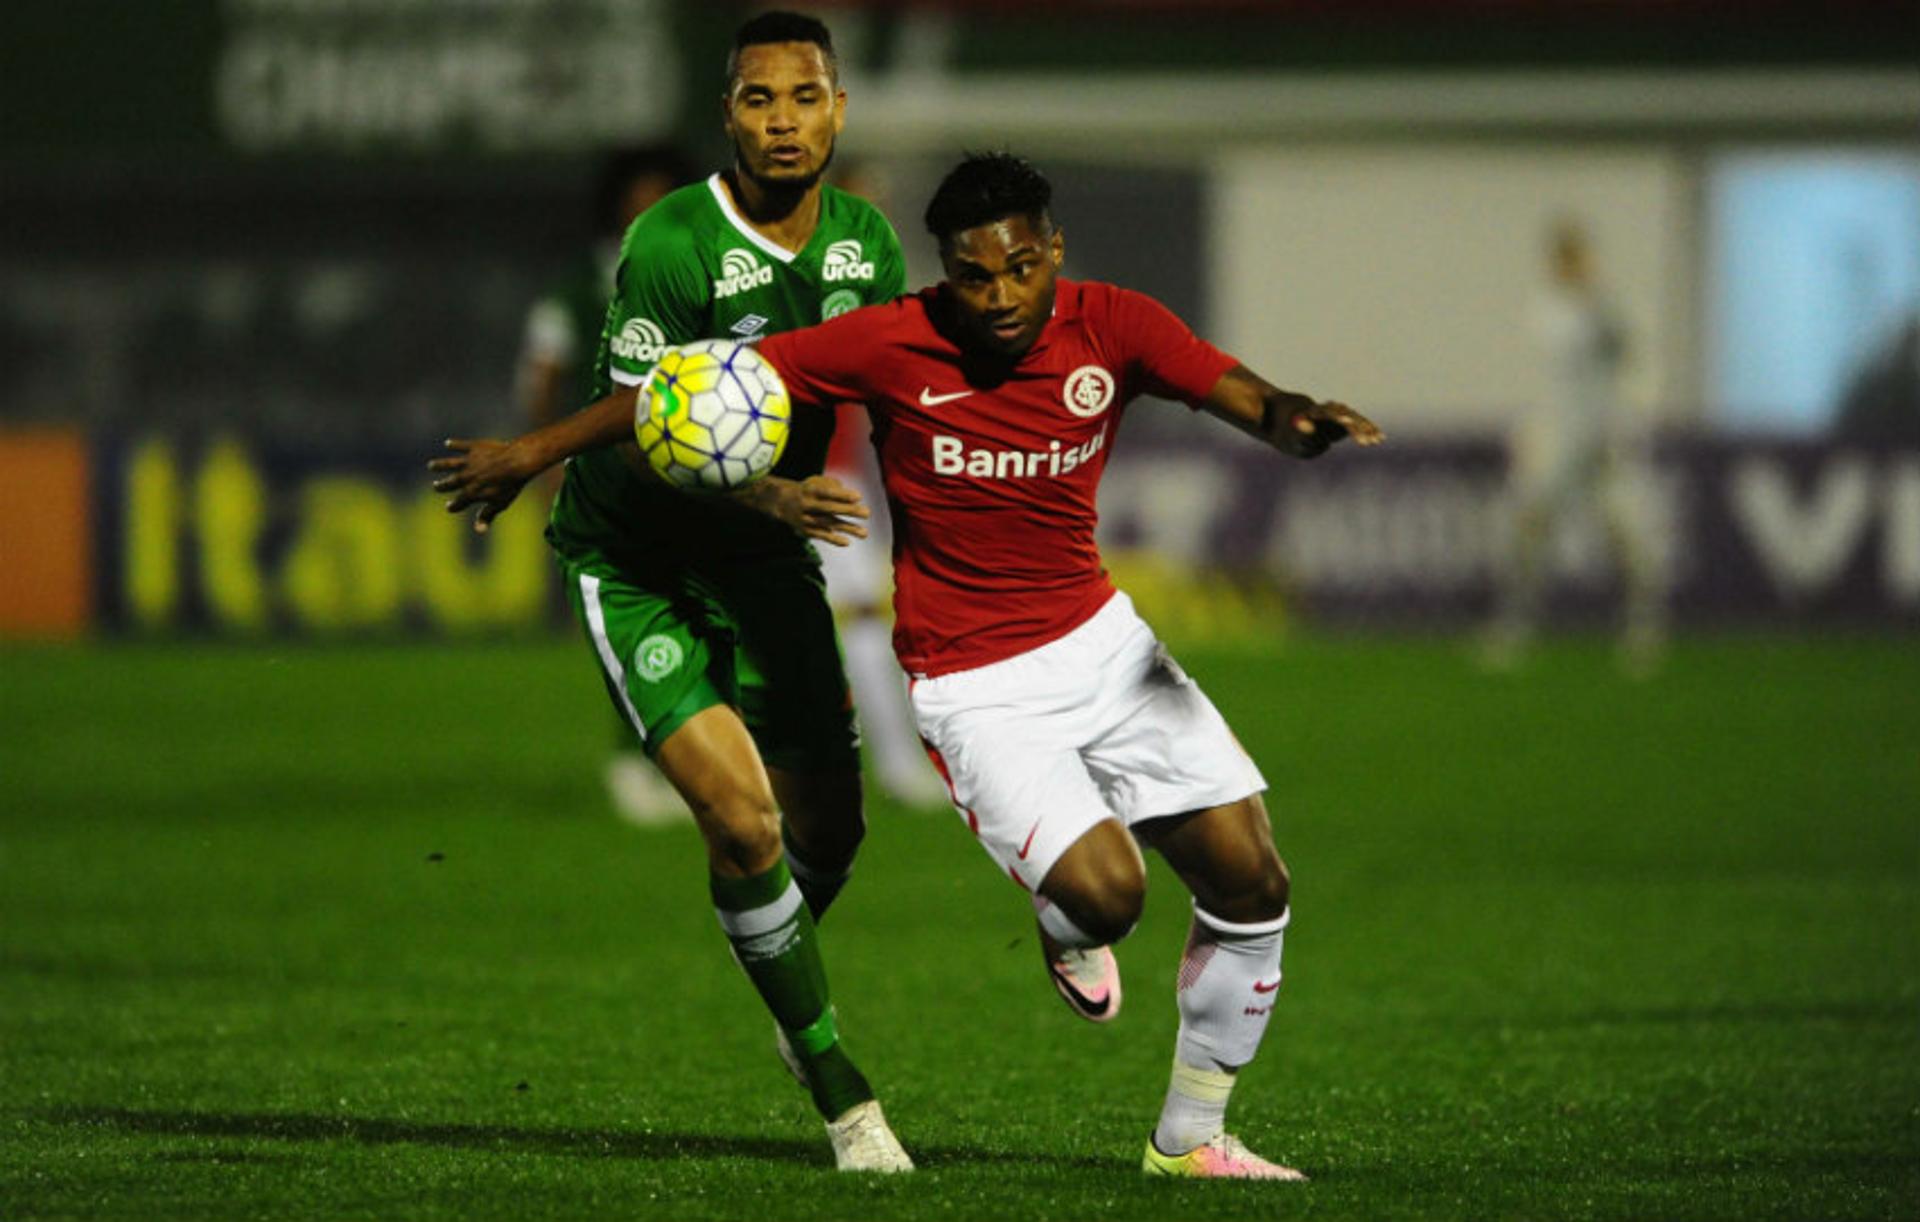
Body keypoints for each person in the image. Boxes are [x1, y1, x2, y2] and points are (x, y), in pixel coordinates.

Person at [432, 153, 1383, 1179]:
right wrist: (537, 451)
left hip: (1106, 643)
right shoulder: (889, 340)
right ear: (945, 271)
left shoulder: (1116, 323)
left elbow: (1234, 388)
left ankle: (1192, 1139)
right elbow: (687, 386)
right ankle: (1066, 920)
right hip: (974, 679)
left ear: (1053, 249)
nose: (1003, 295)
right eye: (976, 276)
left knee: (1253, 879)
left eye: (1022, 267)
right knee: (1110, 897)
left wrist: (1299, 419)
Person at [436, 11, 912, 1172]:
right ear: (729, 115)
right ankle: (841, 1088)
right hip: (638, 557)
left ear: (839, 110)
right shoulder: (670, 240)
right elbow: (656, 418)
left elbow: (886, 403)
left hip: (763, 556)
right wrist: (535, 452)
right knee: (743, 820)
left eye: (804, 98)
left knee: (829, 830)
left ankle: (772, 948)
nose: (783, 121)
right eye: (758, 100)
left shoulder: (868, 247)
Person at [518, 143, 699, 826]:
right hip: (606, 474)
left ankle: (674, 754)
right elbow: (544, 367)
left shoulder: (695, 275)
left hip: (682, 470)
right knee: (637, 618)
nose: (647, 212)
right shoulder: (586, 282)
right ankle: (633, 759)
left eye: (660, 199)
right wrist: (544, 458)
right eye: (636, 200)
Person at [1482, 218, 1666, 675]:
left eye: (1575, 256)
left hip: (1607, 432)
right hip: (1562, 434)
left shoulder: (1608, 302)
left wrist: (1600, 300)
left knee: (1623, 530)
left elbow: (1630, 349)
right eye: (1563, 258)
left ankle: (1642, 627)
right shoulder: (1547, 308)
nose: (1570, 266)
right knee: (1529, 523)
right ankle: (1516, 623)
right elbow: (1566, 355)